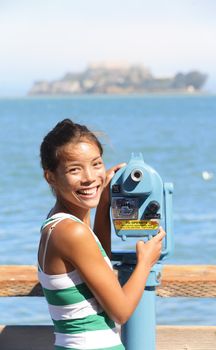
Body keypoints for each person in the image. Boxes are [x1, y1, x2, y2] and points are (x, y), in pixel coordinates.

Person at [37, 118, 166, 350]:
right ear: (51, 177)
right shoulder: (73, 232)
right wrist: (145, 262)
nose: (89, 177)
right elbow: (121, 311)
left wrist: (105, 201)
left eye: (96, 164)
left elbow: (98, 266)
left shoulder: (58, 223)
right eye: (74, 169)